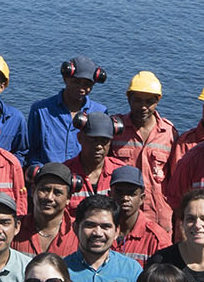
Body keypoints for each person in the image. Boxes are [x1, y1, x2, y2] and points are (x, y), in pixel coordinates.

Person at [109, 71, 176, 232]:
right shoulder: (115, 128)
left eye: (149, 101)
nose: (143, 107)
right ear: (129, 99)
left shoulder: (168, 132)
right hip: (121, 214)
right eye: (137, 100)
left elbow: (175, 179)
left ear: (158, 101)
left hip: (159, 217)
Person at [27, 55, 107, 167]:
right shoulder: (40, 110)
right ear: (65, 79)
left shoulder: (100, 112)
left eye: (87, 84)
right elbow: (32, 151)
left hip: (83, 179)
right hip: (49, 178)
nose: (81, 88)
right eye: (76, 82)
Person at [16, 164, 79, 258]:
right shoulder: (15, 229)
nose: (49, 197)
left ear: (68, 198)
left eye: (57, 192)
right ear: (33, 191)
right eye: (45, 190)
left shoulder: (79, 232)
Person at [63, 112, 123, 209]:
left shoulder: (120, 172)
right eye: (93, 140)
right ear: (79, 138)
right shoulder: (65, 173)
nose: (99, 146)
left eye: (104, 141)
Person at [110, 167, 168, 258]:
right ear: (110, 195)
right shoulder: (100, 231)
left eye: (131, 193)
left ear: (141, 199)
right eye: (119, 192)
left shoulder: (156, 238)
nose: (125, 198)